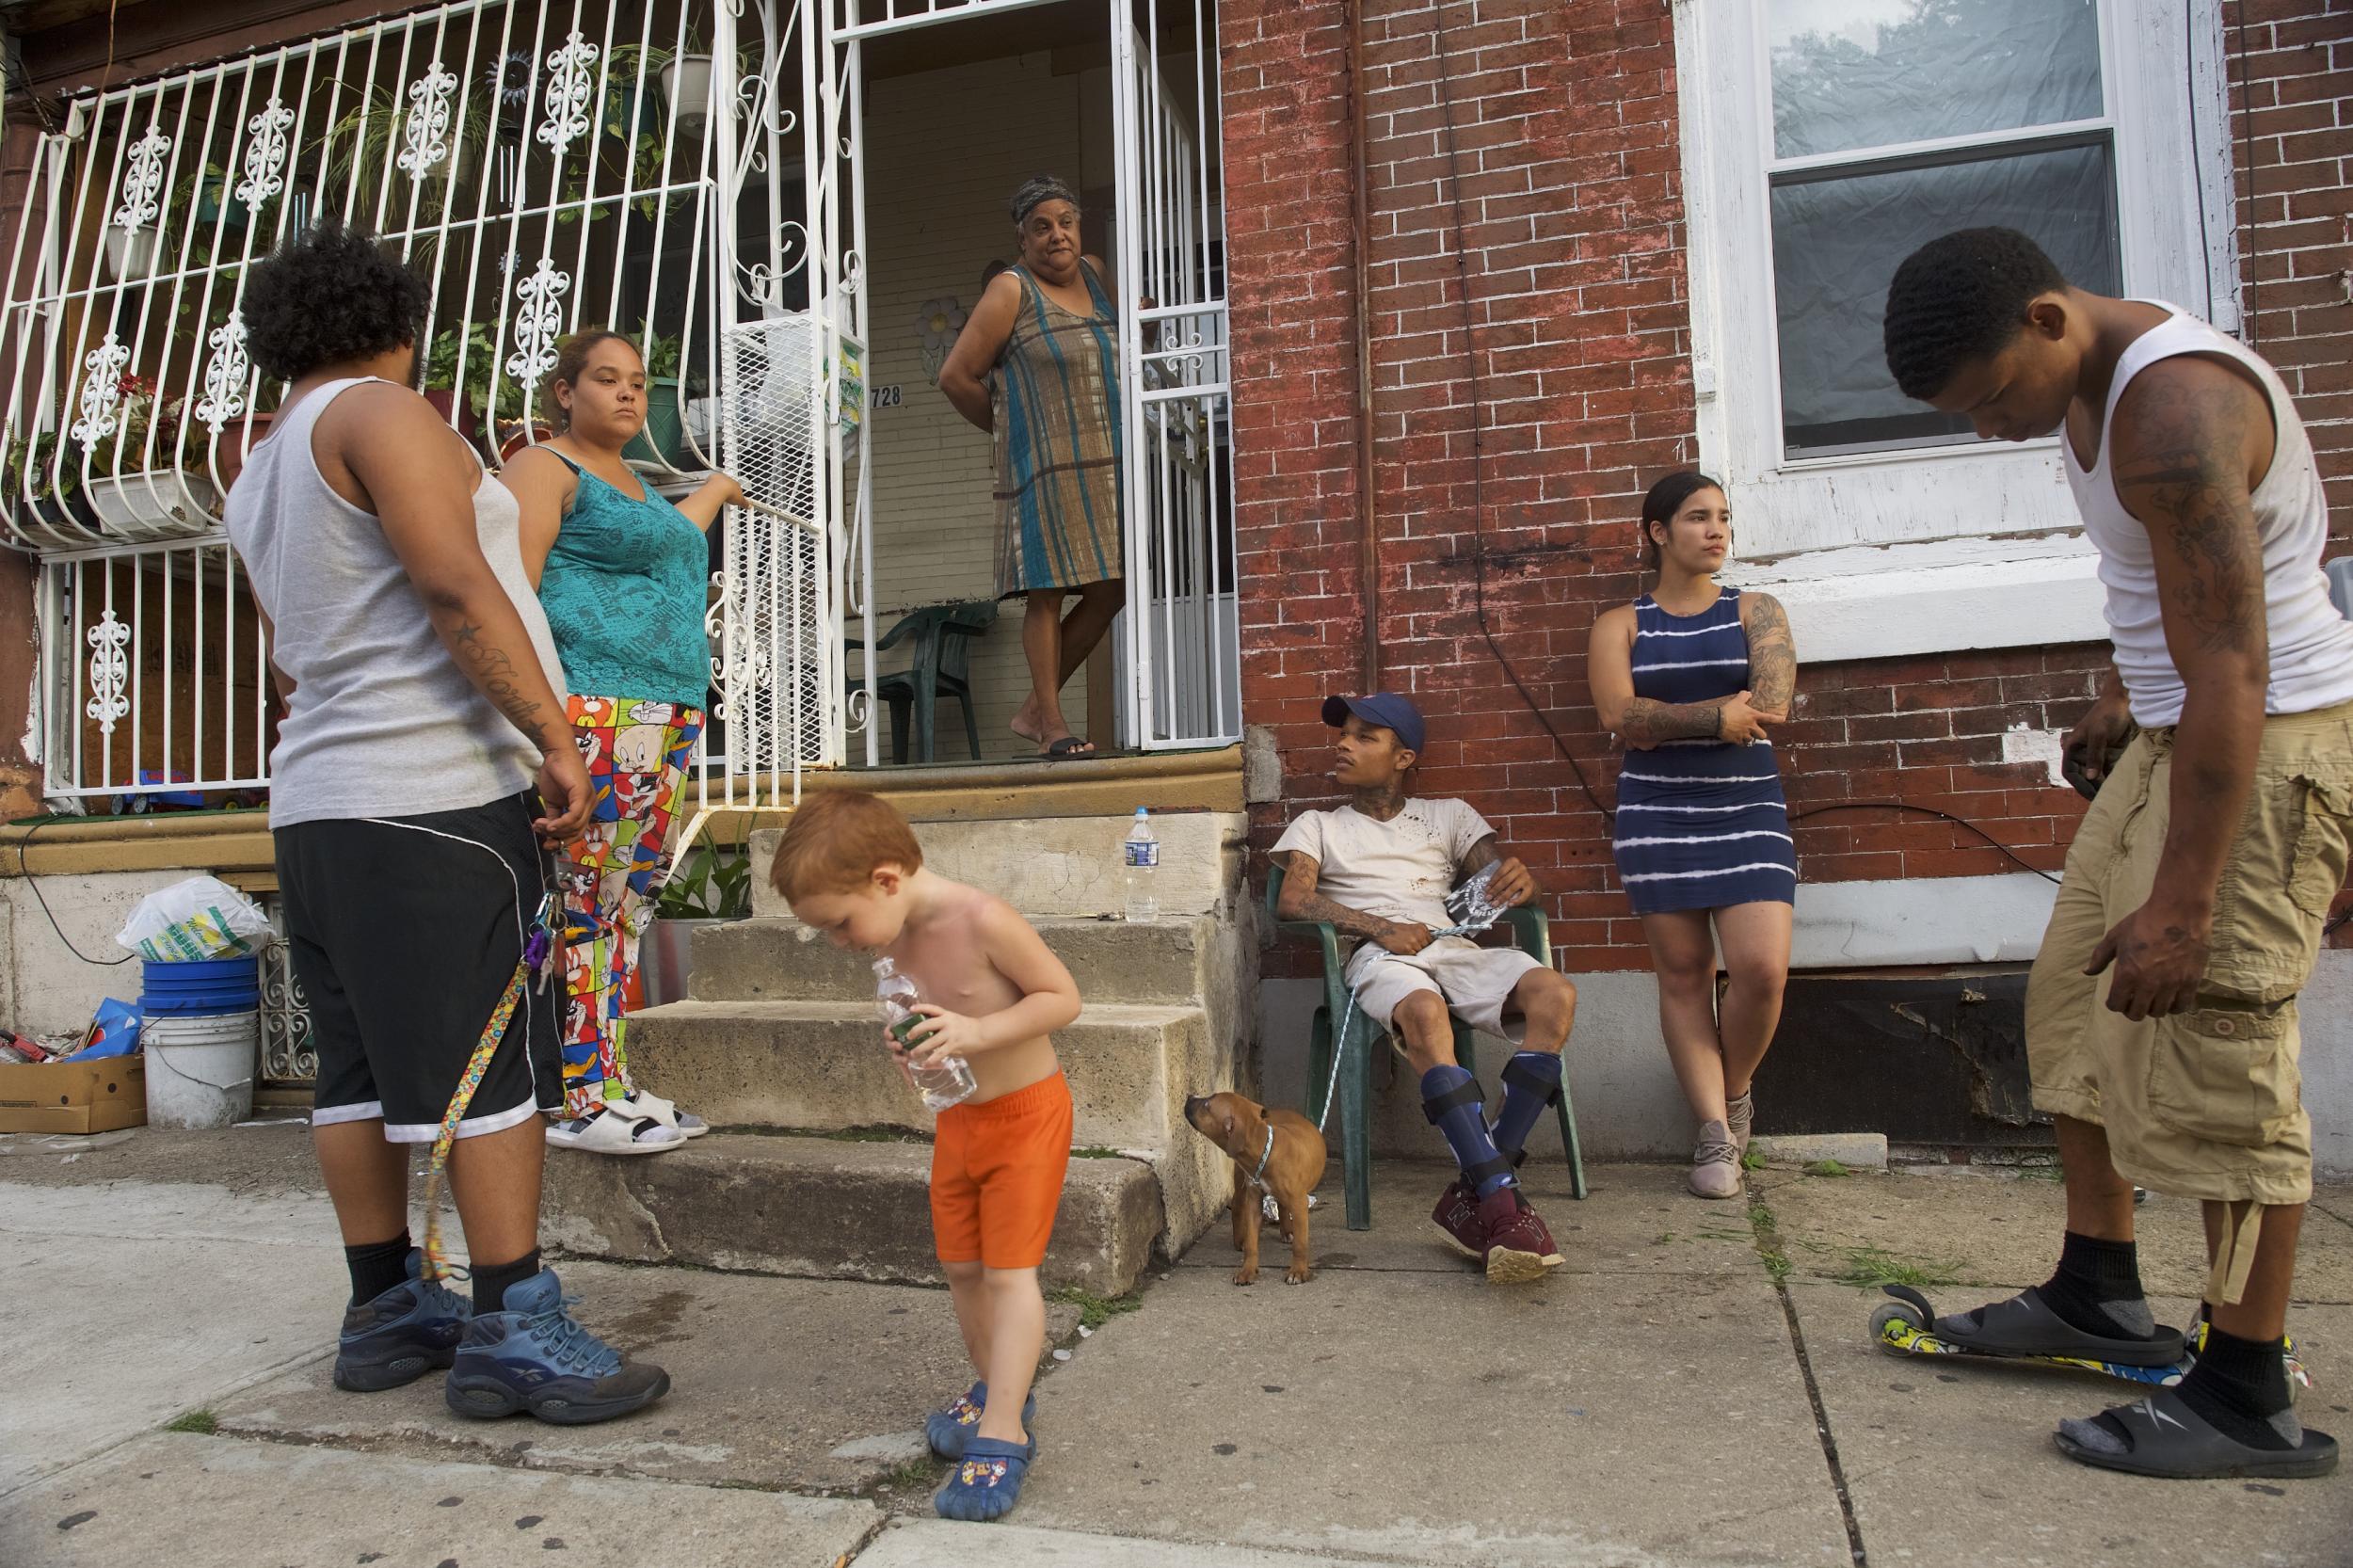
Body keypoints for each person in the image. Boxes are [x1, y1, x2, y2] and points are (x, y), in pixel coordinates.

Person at [1881, 225, 2353, 1480]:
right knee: (2075, 1014)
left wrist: (2188, 902)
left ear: (2048, 319)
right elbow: (2194, 599)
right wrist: (2132, 691)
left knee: (2217, 1048)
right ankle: (2101, 1289)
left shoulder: (2174, 406)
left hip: (2259, 738)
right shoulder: (2096, 386)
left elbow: (2242, 659)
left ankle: (2247, 1386)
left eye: (1991, 402)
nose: (1989, 432)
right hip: (2177, 722)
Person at [225, 222, 668, 1424]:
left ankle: (386, 1307)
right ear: (397, 322)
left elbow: (298, 650)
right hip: (427, 796)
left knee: (357, 1072)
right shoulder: (382, 415)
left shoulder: (266, 458)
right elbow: (454, 584)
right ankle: (513, 1321)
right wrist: (555, 737)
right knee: (494, 1065)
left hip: (318, 807)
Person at [772, 790, 1081, 1521]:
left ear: (885, 879)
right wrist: (914, 1039)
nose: (840, 942)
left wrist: (976, 1034)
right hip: (961, 1120)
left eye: (839, 925)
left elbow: (1062, 998)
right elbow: (930, 1010)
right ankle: (996, 1390)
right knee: (963, 1268)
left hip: (1025, 1118)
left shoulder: (982, 918)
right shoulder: (891, 937)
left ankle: (1004, 1432)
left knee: (1009, 1275)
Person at [504, 330, 744, 1156]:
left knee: (624, 909)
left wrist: (712, 491)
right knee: (584, 904)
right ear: (564, 391)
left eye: (638, 383)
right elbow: (510, 592)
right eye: (606, 379)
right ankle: (571, 1094)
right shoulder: (544, 468)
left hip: (664, 713)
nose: (629, 395)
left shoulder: (636, 484)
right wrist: (542, 729)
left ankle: (609, 1080)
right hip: (597, 716)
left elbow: (670, 547)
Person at [1272, 693, 1577, 1284]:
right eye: (1344, 734)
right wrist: (1380, 926)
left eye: (1365, 737)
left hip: (1451, 945)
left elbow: (1500, 885)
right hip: (1379, 957)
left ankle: (1486, 1186)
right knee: (1424, 1010)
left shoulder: (1450, 816)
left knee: (1554, 995)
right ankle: (1500, 1203)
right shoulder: (1318, 825)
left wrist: (1525, 883)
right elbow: (1293, 901)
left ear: (1404, 757)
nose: (1343, 744)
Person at [1587, 472, 1796, 1199]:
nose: (1716, 530)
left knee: (1762, 969)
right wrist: (1712, 717)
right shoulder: (1621, 624)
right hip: (1657, 814)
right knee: (1682, 975)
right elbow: (1620, 718)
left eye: (1723, 518)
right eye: (1698, 517)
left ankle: (1732, 1091)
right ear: (1658, 533)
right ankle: (1713, 1132)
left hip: (1747, 808)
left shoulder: (1757, 610)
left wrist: (1666, 717)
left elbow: (1770, 704)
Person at [937, 175, 1126, 760]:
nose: (1057, 236)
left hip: (1107, 465)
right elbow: (956, 376)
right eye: (1041, 227)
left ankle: (1033, 708)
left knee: (1112, 588)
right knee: (1045, 593)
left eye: (1065, 222)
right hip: (1044, 466)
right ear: (1023, 239)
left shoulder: (1095, 274)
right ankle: (1051, 726)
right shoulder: (1010, 290)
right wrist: (1008, 431)